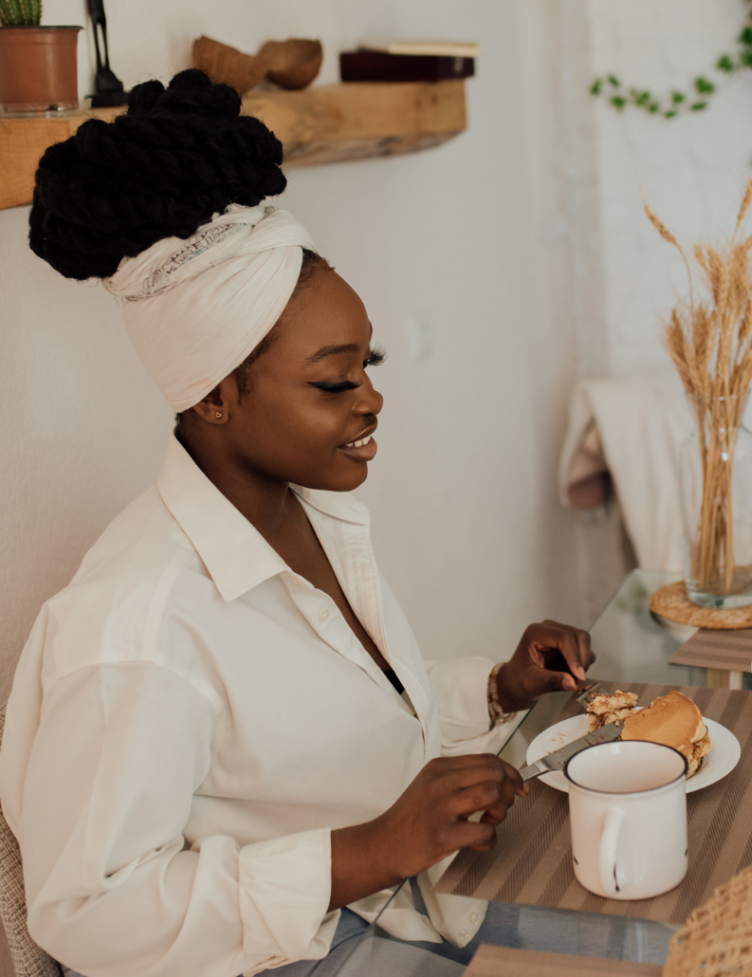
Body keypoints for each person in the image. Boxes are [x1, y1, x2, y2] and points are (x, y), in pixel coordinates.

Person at [0, 70, 593, 977]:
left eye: (369, 364)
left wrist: (498, 691)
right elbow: (85, 915)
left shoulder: (309, 514)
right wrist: (371, 851)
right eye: (333, 381)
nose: (373, 397)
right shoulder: (139, 625)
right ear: (218, 396)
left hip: (390, 910)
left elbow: (340, 736)